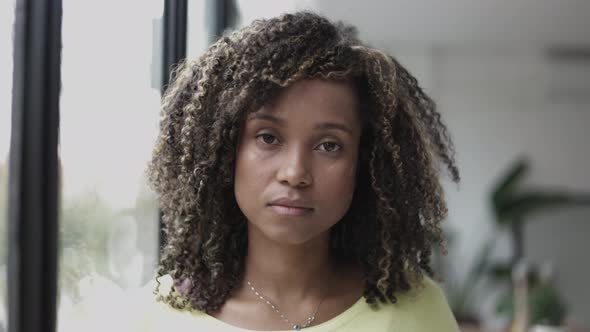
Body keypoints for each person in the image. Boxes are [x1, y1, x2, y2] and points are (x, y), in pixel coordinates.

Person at [143, 11, 461, 332]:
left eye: (329, 145)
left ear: (364, 163)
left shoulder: (417, 313)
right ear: (227, 152)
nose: (295, 173)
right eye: (268, 137)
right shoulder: (156, 319)